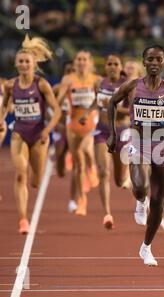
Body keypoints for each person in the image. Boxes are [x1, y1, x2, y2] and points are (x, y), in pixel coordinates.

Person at [107, 45, 164, 266]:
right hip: (138, 143)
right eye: (150, 59)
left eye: (158, 59)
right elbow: (112, 102)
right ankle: (140, 200)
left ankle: (146, 247)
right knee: (142, 187)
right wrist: (113, 134)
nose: (154, 63)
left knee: (160, 202)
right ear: (144, 62)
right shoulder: (133, 86)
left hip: (163, 146)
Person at [0, 35, 61, 234]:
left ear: (34, 64)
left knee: (35, 181)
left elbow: (57, 111)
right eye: (21, 61)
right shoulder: (10, 85)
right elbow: (4, 106)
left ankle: (34, 182)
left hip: (39, 136)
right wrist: (1, 119)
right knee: (20, 175)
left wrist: (47, 130)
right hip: (19, 133)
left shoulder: (41, 84)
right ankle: (23, 219)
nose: (24, 64)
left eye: (27, 61)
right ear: (16, 64)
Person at [80, 55, 129, 229]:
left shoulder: (127, 85)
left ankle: (126, 176)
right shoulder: (99, 83)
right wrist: (87, 113)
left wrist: (113, 105)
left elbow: (132, 110)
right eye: (109, 64)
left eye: (116, 64)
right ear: (105, 67)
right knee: (103, 172)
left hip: (122, 132)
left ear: (120, 66)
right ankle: (107, 214)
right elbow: (96, 102)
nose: (112, 66)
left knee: (118, 180)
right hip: (102, 131)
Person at [57, 50, 101, 216]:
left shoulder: (96, 80)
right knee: (78, 164)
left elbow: (102, 100)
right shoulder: (68, 79)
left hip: (90, 121)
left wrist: (89, 111)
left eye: (84, 59)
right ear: (75, 62)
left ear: (90, 62)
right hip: (73, 123)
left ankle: (92, 167)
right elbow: (59, 100)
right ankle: (81, 201)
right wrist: (61, 94)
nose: (81, 62)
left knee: (85, 150)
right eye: (79, 59)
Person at [52, 61, 75, 177]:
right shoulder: (57, 88)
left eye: (72, 71)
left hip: (74, 128)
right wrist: (52, 123)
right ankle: (62, 162)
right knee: (60, 167)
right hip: (60, 128)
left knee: (78, 160)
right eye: (68, 71)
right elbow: (49, 107)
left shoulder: (80, 88)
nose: (70, 74)